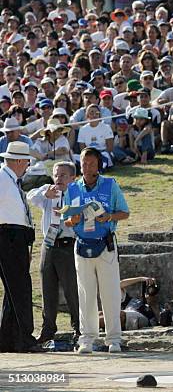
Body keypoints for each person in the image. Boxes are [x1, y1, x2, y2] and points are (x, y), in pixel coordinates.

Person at [63, 147, 130, 354]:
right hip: (82, 244)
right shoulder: (73, 188)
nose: (86, 166)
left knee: (110, 292)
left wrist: (108, 217)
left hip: (105, 244)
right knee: (85, 293)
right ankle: (87, 339)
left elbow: (124, 213)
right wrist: (71, 219)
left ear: (98, 165)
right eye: (83, 163)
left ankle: (114, 339)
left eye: (91, 163)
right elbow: (67, 218)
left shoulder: (110, 185)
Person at [27, 161, 80, 343]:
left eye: (64, 175)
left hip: (68, 244)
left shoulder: (76, 193)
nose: (59, 179)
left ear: (73, 178)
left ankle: (78, 328)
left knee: (71, 289)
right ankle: (48, 329)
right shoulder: (48, 190)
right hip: (49, 245)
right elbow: (30, 197)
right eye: (56, 175)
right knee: (47, 288)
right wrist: (44, 193)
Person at [0, 142, 40, 353]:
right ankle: (24, 337)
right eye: (26, 161)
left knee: (13, 290)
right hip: (8, 236)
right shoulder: (2, 179)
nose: (27, 165)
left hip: (15, 236)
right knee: (20, 289)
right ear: (18, 161)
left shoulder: (11, 180)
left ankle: (8, 338)